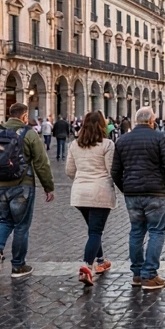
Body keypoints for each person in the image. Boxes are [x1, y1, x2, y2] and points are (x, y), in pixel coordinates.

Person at [0, 102, 55, 279]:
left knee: (4, 220)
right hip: (22, 186)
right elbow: (41, 163)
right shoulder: (30, 134)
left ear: (9, 115)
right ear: (24, 116)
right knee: (21, 226)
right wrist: (48, 187)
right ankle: (18, 266)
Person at [111, 107, 165, 291]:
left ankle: (137, 274)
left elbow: (115, 171)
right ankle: (150, 275)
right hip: (156, 193)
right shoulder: (159, 137)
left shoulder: (122, 140)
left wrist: (126, 188)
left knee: (136, 232)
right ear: (152, 121)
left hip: (132, 194)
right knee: (157, 232)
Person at [66, 110, 116, 286]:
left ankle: (101, 261)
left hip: (80, 193)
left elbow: (69, 171)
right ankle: (87, 266)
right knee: (95, 231)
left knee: (93, 229)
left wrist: (82, 180)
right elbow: (111, 170)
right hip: (100, 191)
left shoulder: (74, 145)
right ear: (102, 125)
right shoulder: (107, 144)